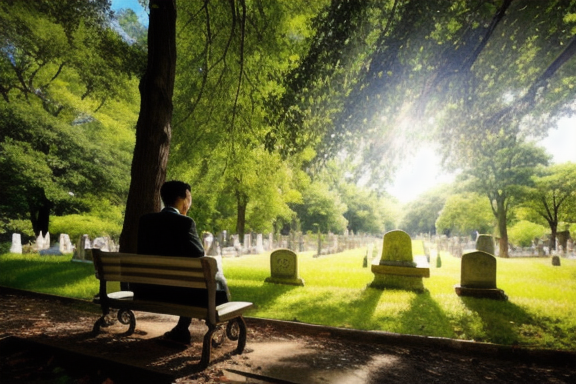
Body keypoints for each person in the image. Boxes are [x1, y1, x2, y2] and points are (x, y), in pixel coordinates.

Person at [132, 180, 229, 343]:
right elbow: (199, 254)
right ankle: (217, 326)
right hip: (180, 295)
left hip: (148, 291)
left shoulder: (145, 221)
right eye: (189, 197)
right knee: (217, 280)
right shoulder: (185, 223)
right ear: (182, 198)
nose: (190, 202)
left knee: (188, 282)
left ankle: (181, 329)